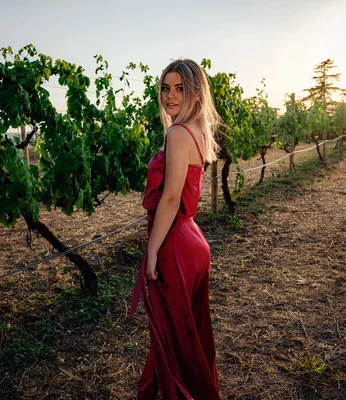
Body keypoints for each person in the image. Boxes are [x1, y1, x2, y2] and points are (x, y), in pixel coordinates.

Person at [129, 59, 221, 399]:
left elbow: (170, 200)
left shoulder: (176, 132)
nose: (170, 95)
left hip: (176, 246)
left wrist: (151, 252)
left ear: (195, 91)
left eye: (180, 88)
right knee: (187, 337)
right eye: (166, 88)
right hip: (193, 241)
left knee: (174, 340)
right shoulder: (196, 131)